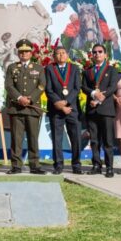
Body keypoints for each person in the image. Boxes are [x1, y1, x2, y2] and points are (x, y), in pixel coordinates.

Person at [5, 39, 47, 175]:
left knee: (33, 138)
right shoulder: (12, 67)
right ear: (18, 53)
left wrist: (30, 98)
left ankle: (34, 165)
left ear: (31, 53)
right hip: (16, 108)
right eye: (21, 52)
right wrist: (19, 98)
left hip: (32, 108)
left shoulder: (38, 68)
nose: (24, 54)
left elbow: (41, 85)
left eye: (26, 52)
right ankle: (16, 166)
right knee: (16, 139)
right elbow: (9, 86)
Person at [51, 0, 118, 53]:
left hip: (95, 17)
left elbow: (92, 9)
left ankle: (108, 55)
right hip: (80, 18)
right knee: (69, 31)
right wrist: (58, 6)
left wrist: (79, 15)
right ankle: (66, 53)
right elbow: (55, 4)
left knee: (106, 32)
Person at [81, 43, 120, 177]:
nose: (97, 54)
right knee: (94, 140)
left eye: (100, 51)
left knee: (108, 140)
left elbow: (112, 87)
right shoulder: (87, 71)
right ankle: (96, 165)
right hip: (92, 110)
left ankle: (109, 167)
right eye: (95, 52)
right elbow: (84, 87)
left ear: (105, 54)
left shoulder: (112, 70)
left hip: (106, 110)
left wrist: (99, 98)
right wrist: (93, 94)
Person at [45, 46, 83, 175]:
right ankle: (58, 165)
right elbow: (48, 89)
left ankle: (76, 165)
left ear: (67, 55)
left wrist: (66, 102)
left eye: (63, 53)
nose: (61, 55)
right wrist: (59, 104)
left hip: (72, 108)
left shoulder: (74, 68)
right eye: (58, 53)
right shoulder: (50, 68)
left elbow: (77, 88)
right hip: (56, 109)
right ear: (54, 56)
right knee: (57, 138)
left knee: (76, 138)